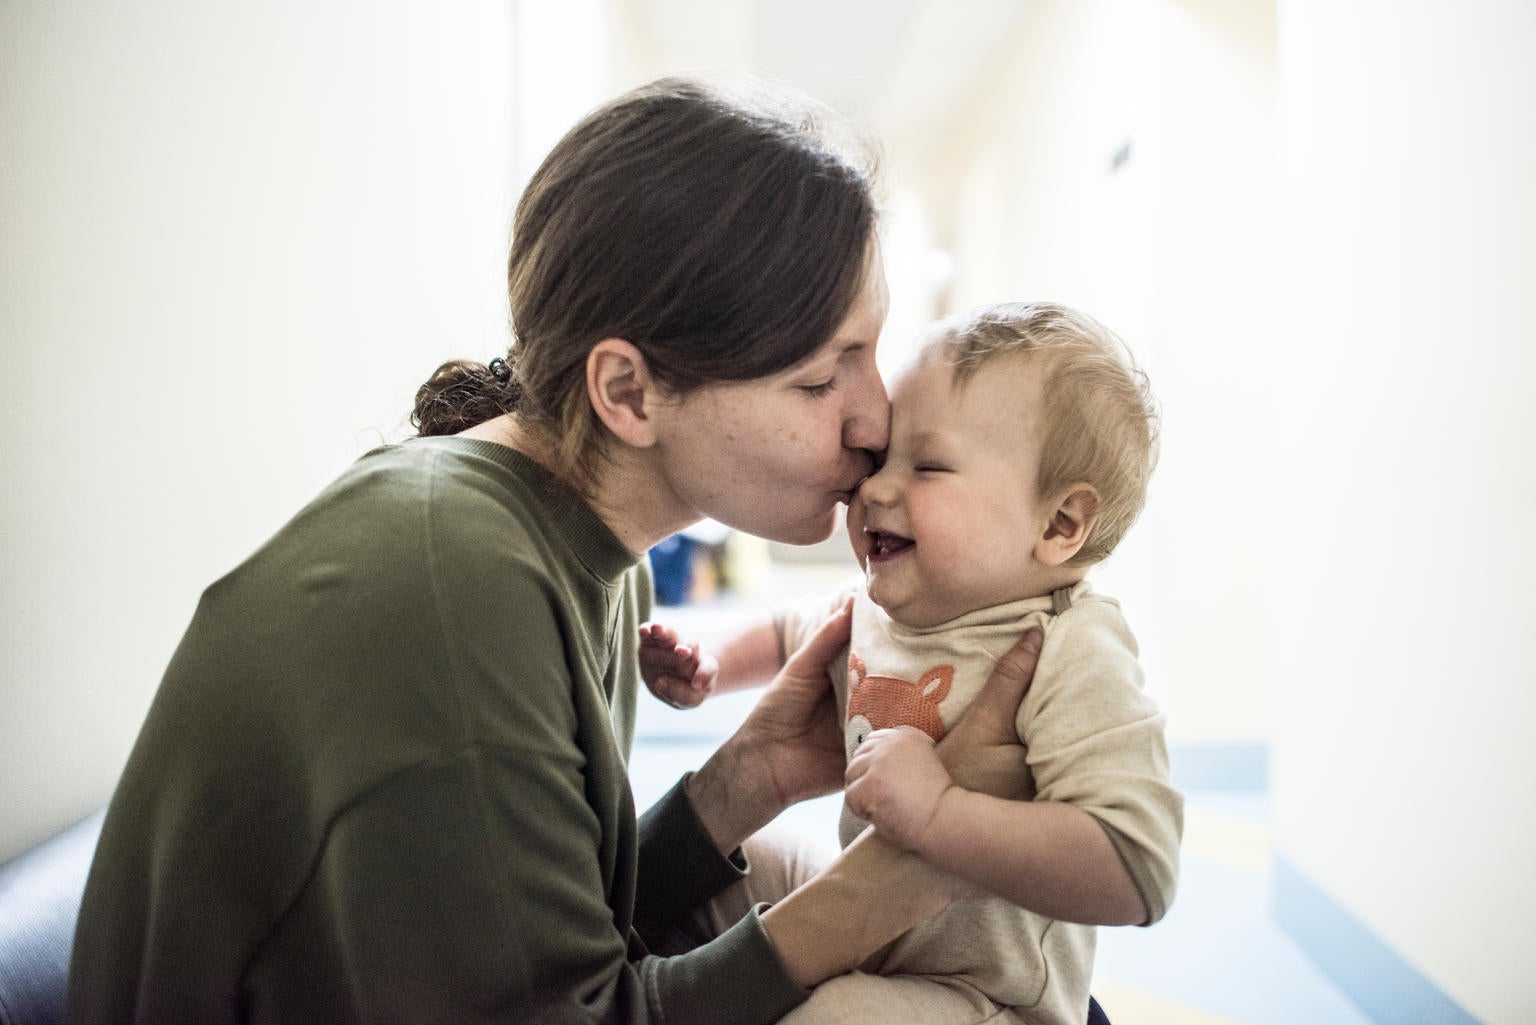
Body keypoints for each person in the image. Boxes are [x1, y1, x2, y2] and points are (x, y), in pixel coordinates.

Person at [64, 78, 1047, 1025]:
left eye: (872, 356)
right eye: (819, 378)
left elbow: (543, 942)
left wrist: (749, 777)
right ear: (628, 393)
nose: (877, 421)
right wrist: (897, 880)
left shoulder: (568, 541)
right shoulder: (449, 581)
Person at [640, 302, 1184, 1025]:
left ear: (1058, 524)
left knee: (834, 1016)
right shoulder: (884, 602)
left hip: (982, 993)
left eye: (926, 465)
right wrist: (709, 661)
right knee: (710, 871)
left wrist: (941, 815)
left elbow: (1137, 865)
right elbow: (786, 631)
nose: (873, 488)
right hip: (867, 924)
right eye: (883, 456)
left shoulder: (1069, 643)